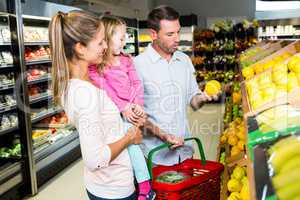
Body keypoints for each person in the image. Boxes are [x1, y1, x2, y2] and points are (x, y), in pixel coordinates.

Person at [49, 10, 142, 200]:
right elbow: (95, 159)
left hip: (104, 184)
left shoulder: (75, 85)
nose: (106, 46)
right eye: (100, 42)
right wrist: (129, 138)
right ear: (80, 48)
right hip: (113, 190)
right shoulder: (86, 94)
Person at [134, 5, 219, 166]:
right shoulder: (138, 66)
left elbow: (193, 102)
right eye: (170, 34)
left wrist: (204, 97)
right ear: (153, 34)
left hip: (185, 150)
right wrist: (164, 136)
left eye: (178, 31)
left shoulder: (184, 61)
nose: (177, 38)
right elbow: (136, 116)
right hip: (156, 156)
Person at [88, 16, 155, 200]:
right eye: (121, 38)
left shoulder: (126, 60)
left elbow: (136, 83)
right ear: (107, 39)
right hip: (114, 114)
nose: (125, 42)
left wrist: (138, 106)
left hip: (130, 111)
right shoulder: (96, 67)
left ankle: (141, 182)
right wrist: (124, 106)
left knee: (137, 147)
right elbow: (106, 90)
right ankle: (145, 185)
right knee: (131, 147)